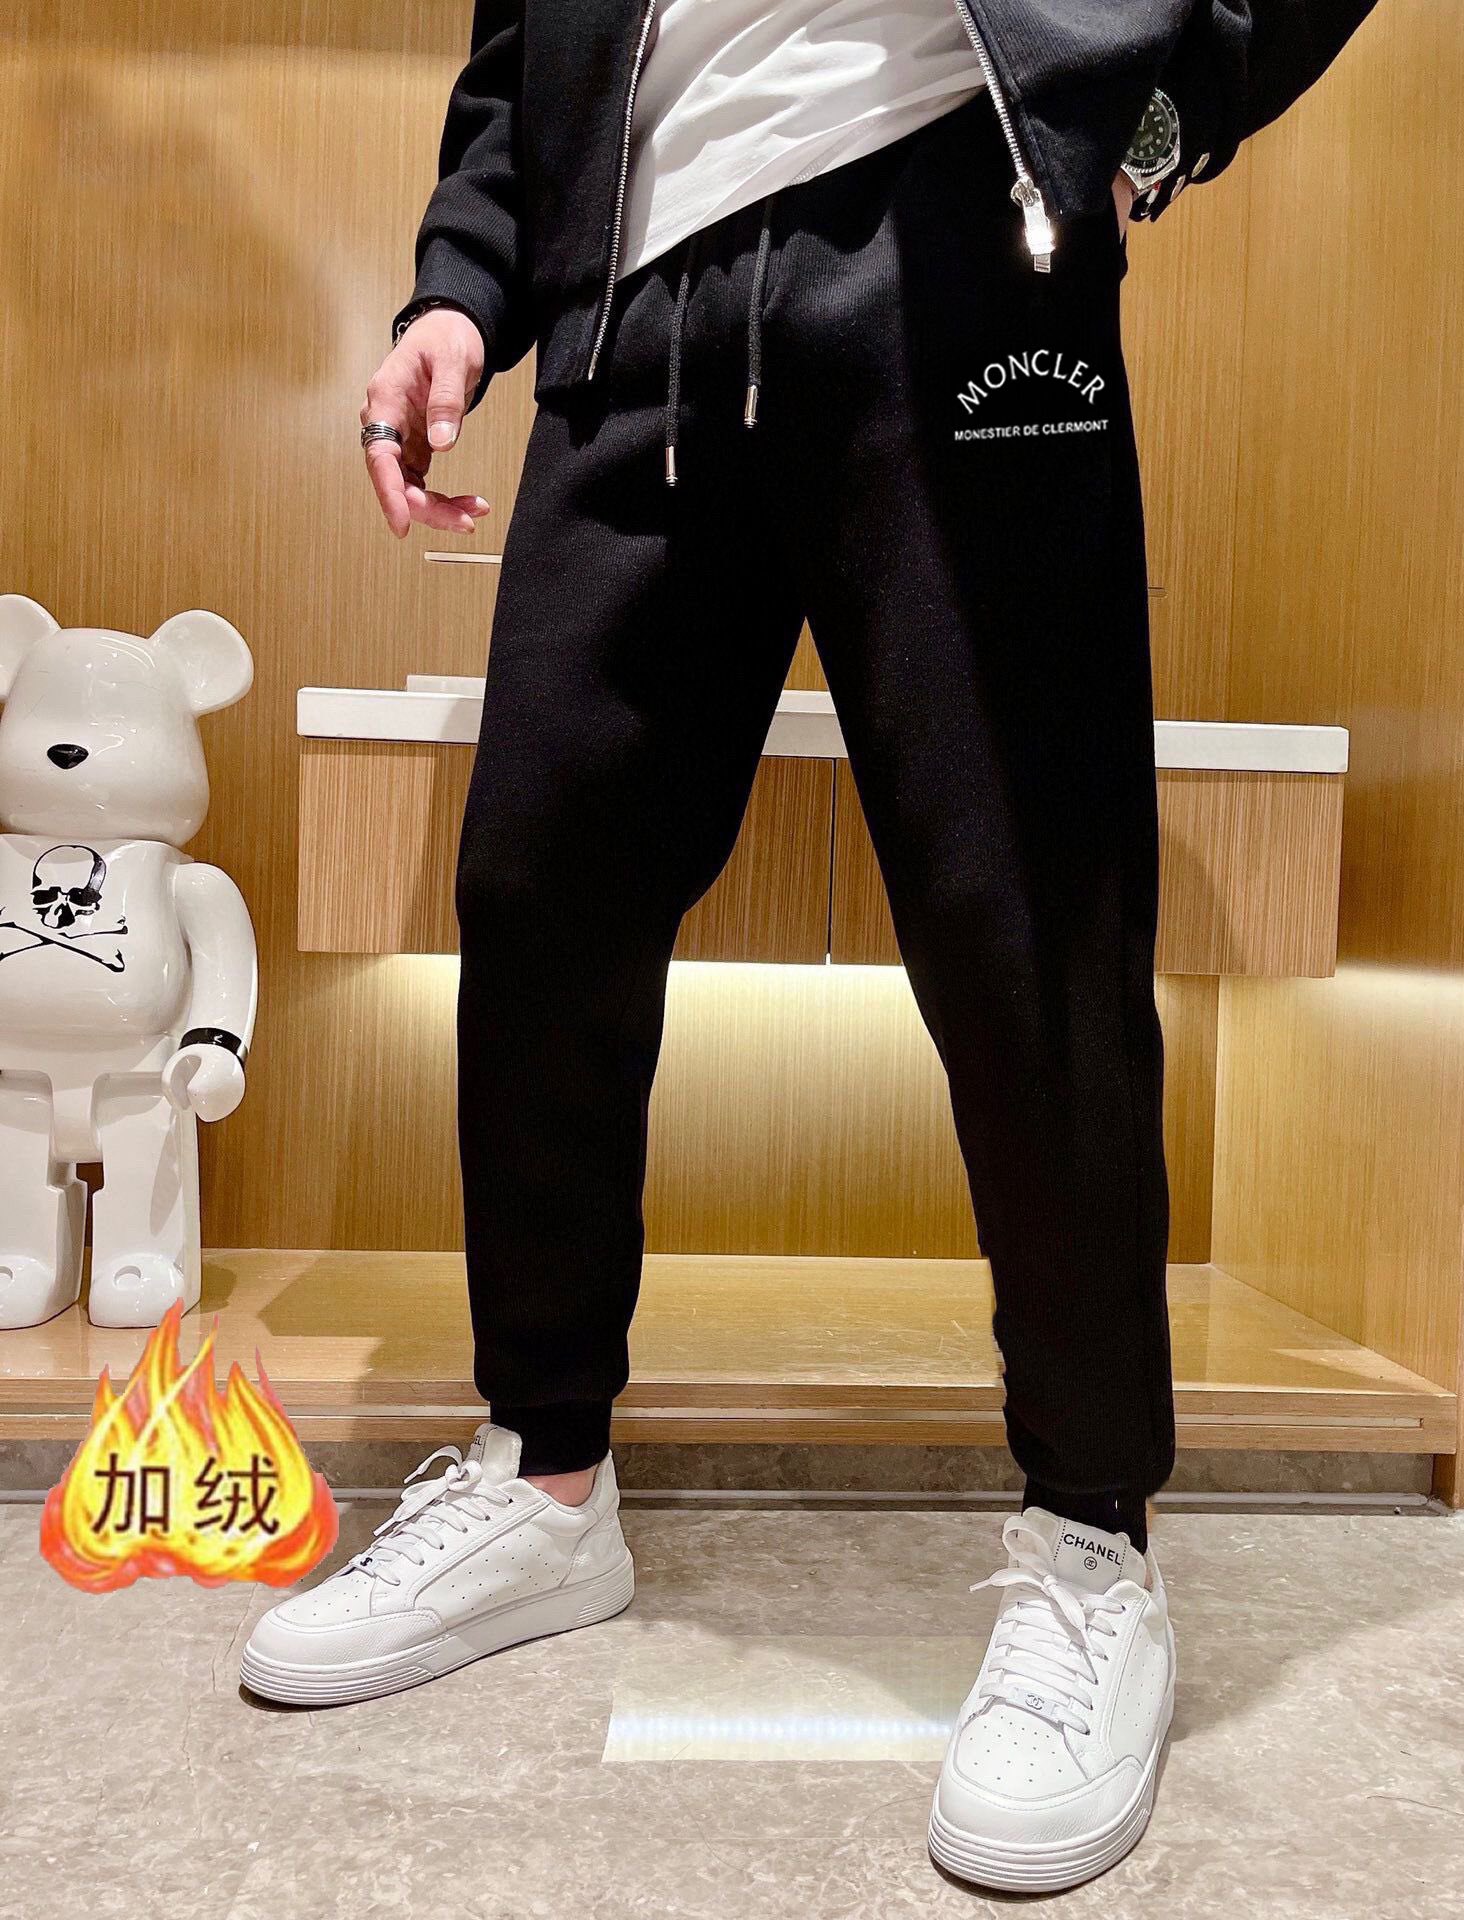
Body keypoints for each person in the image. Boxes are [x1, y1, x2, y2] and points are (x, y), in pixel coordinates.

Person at [244, 0, 1377, 1890]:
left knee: (1025, 922)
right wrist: (462, 291)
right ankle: (547, 1476)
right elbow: (521, 54)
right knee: (538, 893)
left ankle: (1090, 1539)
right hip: (627, 319)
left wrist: (1156, 116)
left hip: (956, 258)